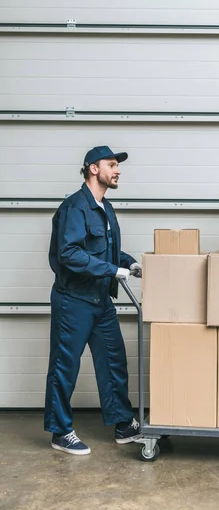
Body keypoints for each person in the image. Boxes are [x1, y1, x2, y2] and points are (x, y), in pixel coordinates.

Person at [44, 146, 142, 455]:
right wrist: (114, 270)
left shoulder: (105, 208)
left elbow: (107, 251)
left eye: (117, 165)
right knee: (65, 366)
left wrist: (130, 263)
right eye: (111, 164)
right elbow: (69, 253)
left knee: (113, 360)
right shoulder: (75, 208)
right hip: (73, 299)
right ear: (92, 169)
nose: (118, 170)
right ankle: (60, 432)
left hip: (100, 300)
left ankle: (123, 424)